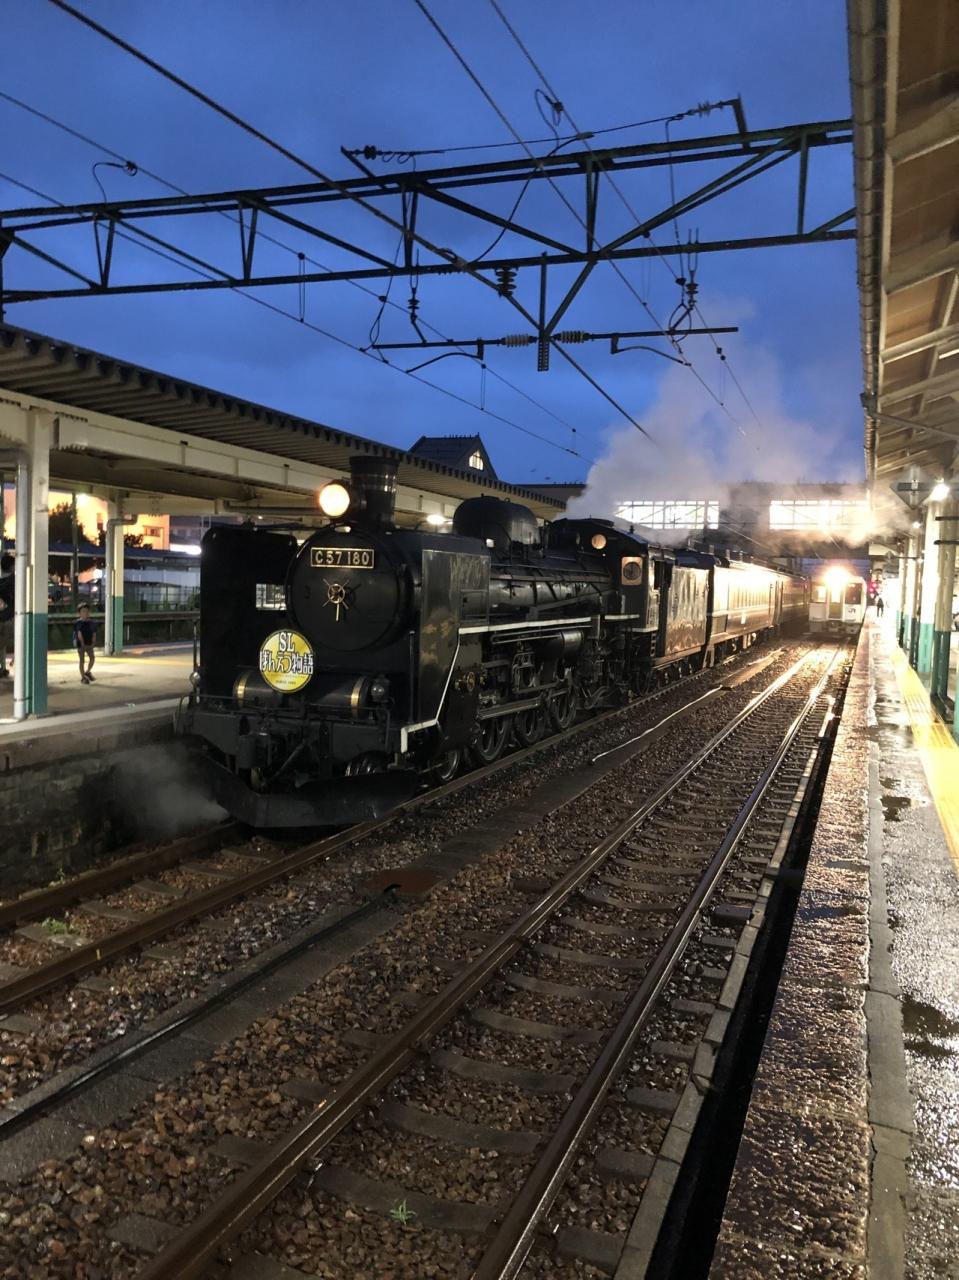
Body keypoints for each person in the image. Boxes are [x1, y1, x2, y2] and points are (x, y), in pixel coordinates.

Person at [72, 603, 97, 684]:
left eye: (87, 611)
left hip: (89, 644)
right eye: (83, 611)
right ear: (79, 613)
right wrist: (82, 643)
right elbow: (79, 634)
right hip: (81, 645)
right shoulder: (77, 623)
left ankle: (87, 672)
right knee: (82, 660)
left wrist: (93, 643)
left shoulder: (92, 623)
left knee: (92, 658)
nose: (85, 613)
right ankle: (83, 677)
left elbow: (94, 633)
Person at [0, 552, 14, 679]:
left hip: (4, 617)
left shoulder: (3, 580)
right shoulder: (13, 580)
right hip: (8, 618)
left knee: (2, 646)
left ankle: (3, 668)